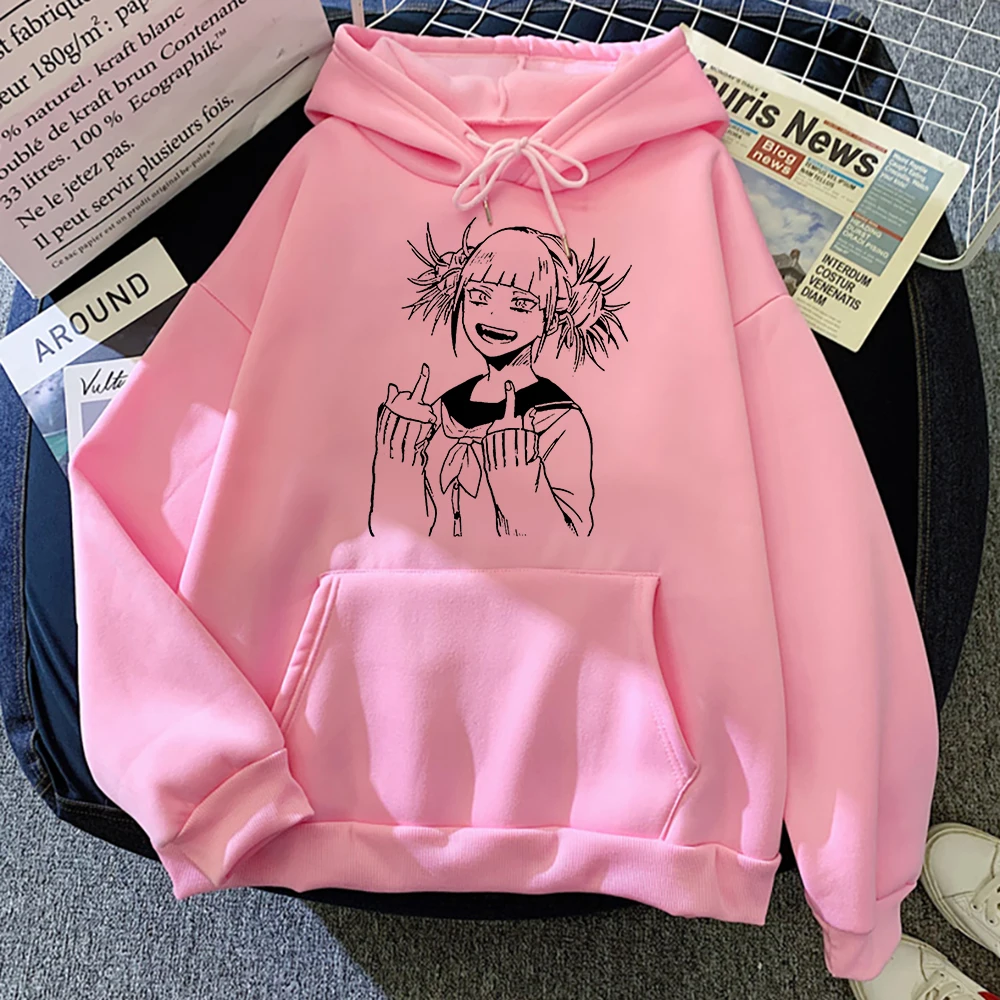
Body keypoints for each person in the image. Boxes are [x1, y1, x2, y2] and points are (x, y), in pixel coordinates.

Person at [369, 224, 628, 538]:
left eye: (521, 304)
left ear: (550, 319)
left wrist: (519, 479)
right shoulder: (443, 409)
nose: (494, 315)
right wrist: (399, 454)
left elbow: (572, 541)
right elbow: (402, 535)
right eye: (480, 297)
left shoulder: (559, 420)